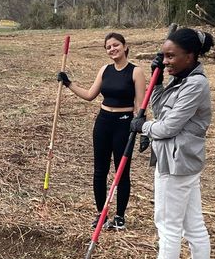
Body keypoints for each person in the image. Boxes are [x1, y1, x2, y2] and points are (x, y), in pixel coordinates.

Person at [129, 27, 215, 259]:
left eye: (171, 56)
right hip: (180, 160)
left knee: (167, 225)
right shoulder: (181, 79)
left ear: (190, 56)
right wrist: (156, 83)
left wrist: (143, 126)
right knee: (194, 226)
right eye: (163, 56)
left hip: (176, 163)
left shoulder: (195, 85)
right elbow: (161, 109)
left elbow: (167, 127)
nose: (166, 61)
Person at [57, 32, 147, 230]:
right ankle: (101, 213)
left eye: (116, 45)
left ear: (124, 47)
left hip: (124, 123)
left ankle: (120, 216)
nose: (112, 49)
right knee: (100, 171)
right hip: (103, 122)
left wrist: (143, 129)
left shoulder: (136, 72)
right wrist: (68, 82)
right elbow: (90, 95)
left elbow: (140, 105)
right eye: (108, 47)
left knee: (121, 172)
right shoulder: (105, 70)